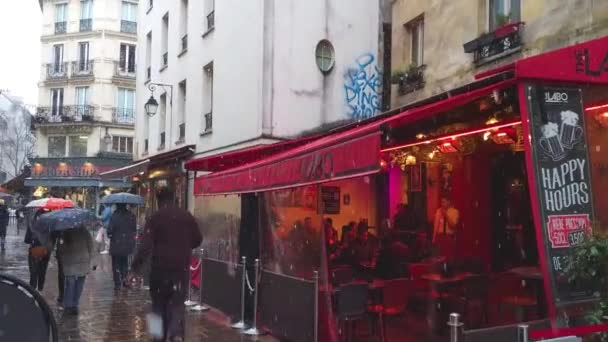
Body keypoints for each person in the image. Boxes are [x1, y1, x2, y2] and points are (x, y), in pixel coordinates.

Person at [130, 188, 202, 342]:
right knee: (177, 303)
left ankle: (157, 336)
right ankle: (176, 334)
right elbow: (198, 240)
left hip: (159, 270)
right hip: (180, 269)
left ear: (159, 201)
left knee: (157, 305)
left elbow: (145, 246)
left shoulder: (155, 218)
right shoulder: (186, 216)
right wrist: (183, 244)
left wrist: (135, 267)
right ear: (175, 199)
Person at [57, 225, 96, 315]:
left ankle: (68, 306)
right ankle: (74, 304)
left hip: (70, 262)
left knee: (70, 284)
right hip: (83, 261)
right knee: (79, 284)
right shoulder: (84, 230)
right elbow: (90, 245)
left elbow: (60, 249)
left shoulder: (64, 232)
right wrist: (91, 258)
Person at [108, 204, 137, 290]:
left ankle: (117, 283)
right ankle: (125, 280)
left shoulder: (114, 216)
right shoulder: (132, 216)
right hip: (127, 244)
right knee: (124, 263)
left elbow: (110, 230)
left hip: (116, 244)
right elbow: (134, 229)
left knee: (116, 264)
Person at [24, 209, 51, 291]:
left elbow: (27, 240)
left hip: (35, 249)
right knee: (42, 272)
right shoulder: (50, 225)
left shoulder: (32, 225)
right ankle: (40, 290)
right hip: (46, 250)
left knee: (33, 273)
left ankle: (32, 291)